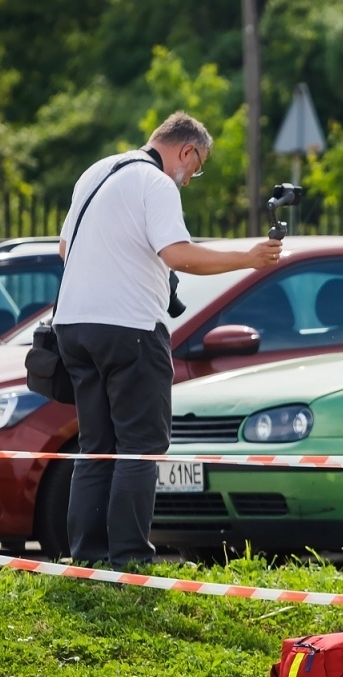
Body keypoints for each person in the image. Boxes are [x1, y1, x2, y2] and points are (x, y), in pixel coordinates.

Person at [54, 111, 281, 567]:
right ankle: (131, 558)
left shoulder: (97, 171)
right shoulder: (156, 184)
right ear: (188, 151)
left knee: (95, 446)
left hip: (73, 325)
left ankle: (87, 556)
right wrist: (249, 257)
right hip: (131, 329)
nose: (191, 179)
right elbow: (179, 255)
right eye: (197, 168)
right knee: (140, 446)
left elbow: (65, 248)